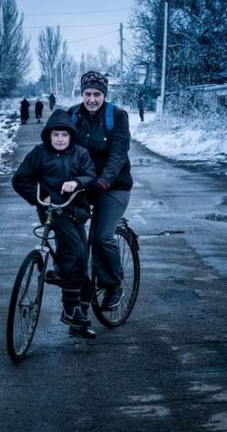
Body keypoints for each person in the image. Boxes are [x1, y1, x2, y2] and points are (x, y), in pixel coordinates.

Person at [11, 109, 97, 339]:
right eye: (55, 134)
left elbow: (90, 176)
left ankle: (79, 320)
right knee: (75, 251)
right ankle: (69, 309)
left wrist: (76, 182)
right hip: (52, 211)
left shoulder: (80, 153)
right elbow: (19, 179)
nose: (59, 139)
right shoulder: (39, 153)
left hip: (76, 210)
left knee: (81, 261)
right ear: (48, 135)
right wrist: (39, 197)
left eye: (64, 135)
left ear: (71, 136)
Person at [67, 71, 133, 311]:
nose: (92, 99)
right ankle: (72, 284)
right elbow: (60, 149)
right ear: (82, 93)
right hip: (83, 185)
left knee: (101, 236)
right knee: (70, 233)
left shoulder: (117, 116)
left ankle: (113, 284)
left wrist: (104, 181)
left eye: (97, 94)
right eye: (87, 94)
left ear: (104, 94)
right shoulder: (72, 115)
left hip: (114, 186)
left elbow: (118, 154)